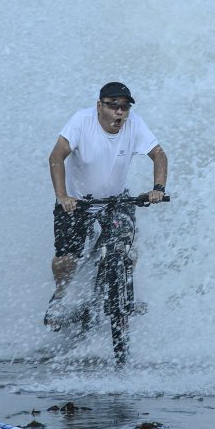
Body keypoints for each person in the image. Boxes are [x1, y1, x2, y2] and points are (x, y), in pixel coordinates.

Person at [45, 81, 168, 330]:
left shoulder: (134, 124)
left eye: (124, 107)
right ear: (99, 106)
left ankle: (126, 295)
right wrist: (62, 196)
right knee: (66, 259)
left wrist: (158, 189)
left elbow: (159, 154)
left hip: (115, 200)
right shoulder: (81, 121)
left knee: (127, 246)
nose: (119, 112)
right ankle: (58, 298)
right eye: (113, 106)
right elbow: (56, 156)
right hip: (77, 202)